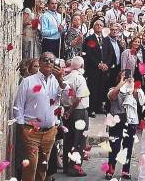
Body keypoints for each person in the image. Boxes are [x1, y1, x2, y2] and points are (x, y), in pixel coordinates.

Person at [13, 52, 68, 181]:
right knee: (31, 164)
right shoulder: (28, 81)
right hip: (31, 130)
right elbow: (18, 106)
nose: (48, 62)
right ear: (40, 62)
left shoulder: (57, 81)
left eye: (51, 60)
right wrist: (22, 128)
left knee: (43, 166)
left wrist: (60, 80)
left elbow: (67, 98)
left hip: (49, 132)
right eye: (45, 60)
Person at [106, 69, 140, 180]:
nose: (126, 80)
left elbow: (140, 101)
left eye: (128, 78)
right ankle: (110, 169)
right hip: (116, 119)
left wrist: (132, 86)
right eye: (124, 77)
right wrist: (121, 83)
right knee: (114, 146)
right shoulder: (113, 89)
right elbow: (112, 97)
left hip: (130, 120)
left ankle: (126, 170)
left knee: (128, 146)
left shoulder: (134, 90)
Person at [63, 56, 89, 177]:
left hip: (68, 109)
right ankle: (74, 167)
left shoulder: (66, 78)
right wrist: (71, 110)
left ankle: (66, 165)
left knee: (68, 138)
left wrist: (68, 111)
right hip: (78, 111)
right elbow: (79, 98)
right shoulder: (80, 78)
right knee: (78, 140)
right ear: (82, 66)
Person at [82, 19, 106, 116]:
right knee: (93, 89)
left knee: (101, 88)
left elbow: (109, 53)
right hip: (93, 68)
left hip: (103, 69)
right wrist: (98, 64)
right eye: (97, 25)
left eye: (101, 25)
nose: (99, 26)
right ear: (93, 27)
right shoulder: (89, 39)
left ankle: (99, 107)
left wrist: (106, 64)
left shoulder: (106, 39)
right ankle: (91, 109)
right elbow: (88, 54)